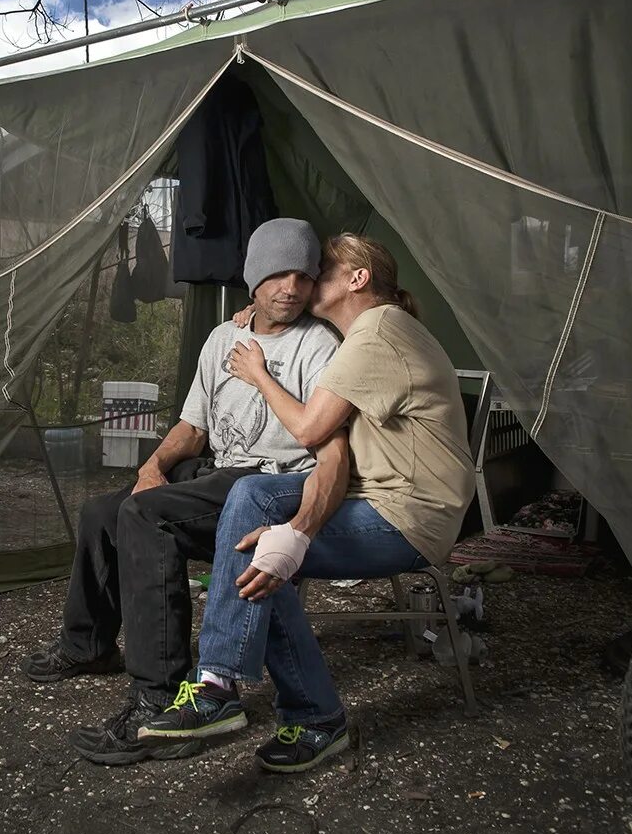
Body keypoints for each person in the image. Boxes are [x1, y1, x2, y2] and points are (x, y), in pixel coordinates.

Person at [138, 233, 475, 773]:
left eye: (321, 271)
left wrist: (259, 374)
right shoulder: (368, 331)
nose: (305, 282)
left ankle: (241, 692)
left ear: (356, 279)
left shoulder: (378, 334)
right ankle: (266, 701)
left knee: (256, 545)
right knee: (250, 502)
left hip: (407, 516)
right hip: (376, 495)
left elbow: (309, 428)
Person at [21, 218, 339, 766]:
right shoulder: (222, 338)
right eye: (279, 274)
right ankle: (87, 644)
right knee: (104, 510)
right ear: (253, 278)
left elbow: (323, 440)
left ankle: (157, 697)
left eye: (304, 277)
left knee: (147, 519)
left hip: (270, 483)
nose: (291, 287)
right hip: (218, 468)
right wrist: (154, 464)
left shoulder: (319, 343)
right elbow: (193, 428)